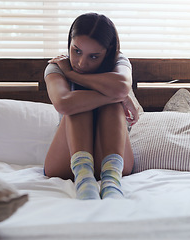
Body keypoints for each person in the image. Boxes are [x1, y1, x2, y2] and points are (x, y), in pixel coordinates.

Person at [43, 13, 141, 200]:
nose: (81, 62)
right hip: (66, 162)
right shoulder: (56, 67)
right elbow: (63, 103)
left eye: (94, 56)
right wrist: (117, 96)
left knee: (110, 107)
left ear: (108, 51)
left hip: (114, 161)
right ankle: (84, 178)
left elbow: (121, 86)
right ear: (70, 42)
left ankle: (111, 181)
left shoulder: (118, 61)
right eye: (76, 51)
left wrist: (72, 75)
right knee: (76, 104)